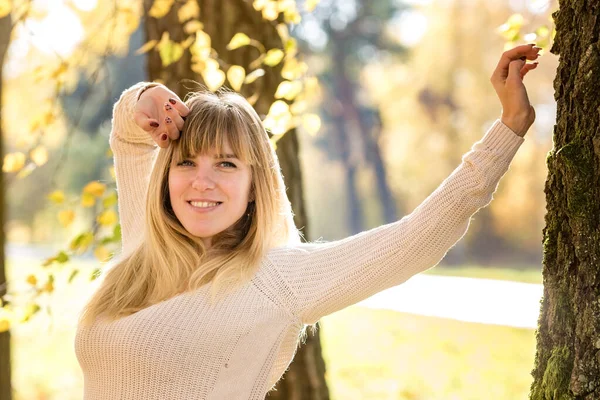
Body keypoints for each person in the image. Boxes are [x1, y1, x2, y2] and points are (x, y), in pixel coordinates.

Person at [74, 43, 541, 399]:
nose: (202, 182)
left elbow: (416, 238)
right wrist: (147, 96)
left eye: (227, 165)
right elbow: (129, 137)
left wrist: (511, 125)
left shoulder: (274, 279)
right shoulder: (145, 243)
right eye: (187, 162)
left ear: (257, 182)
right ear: (166, 175)